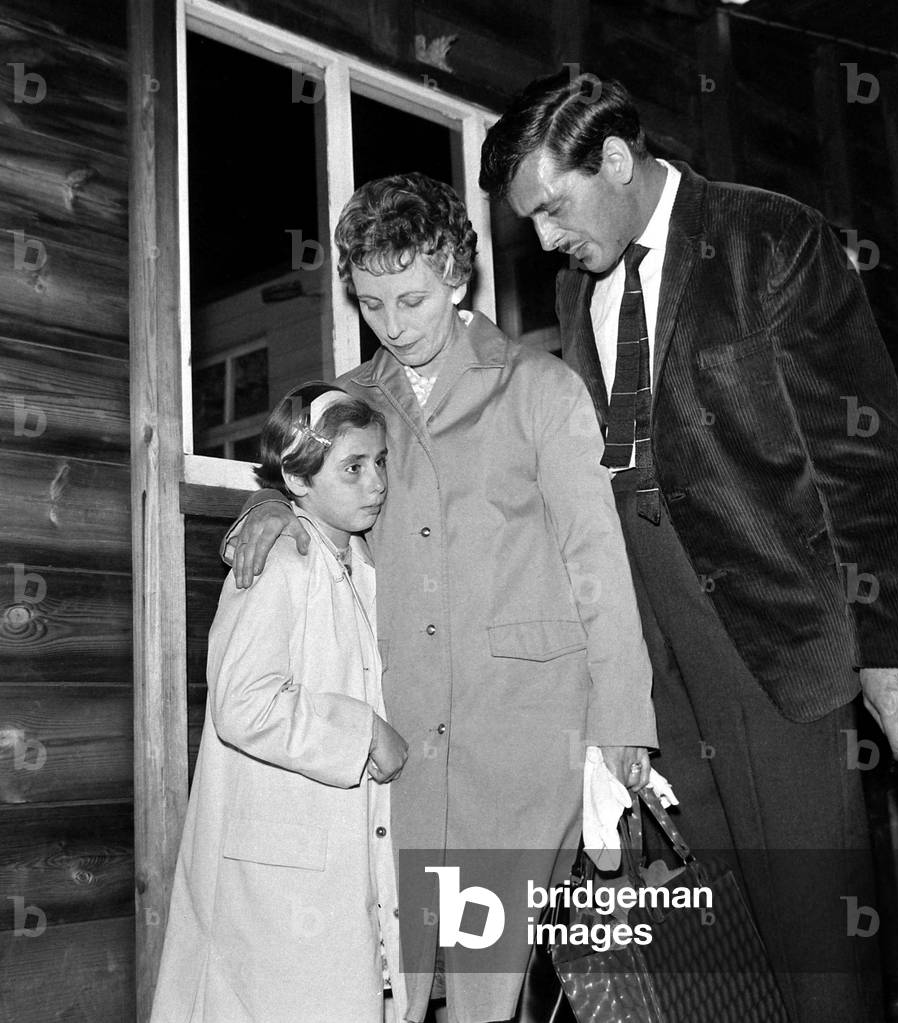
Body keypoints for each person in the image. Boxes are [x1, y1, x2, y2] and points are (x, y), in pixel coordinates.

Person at [478, 69, 898, 1022]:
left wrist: (890, 647)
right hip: (653, 674)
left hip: (776, 646)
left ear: (616, 158)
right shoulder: (573, 295)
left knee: (819, 958)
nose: (548, 239)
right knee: (716, 950)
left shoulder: (770, 238)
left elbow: (865, 457)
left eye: (553, 209)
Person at [223, 172, 657, 1023]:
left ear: (458, 276)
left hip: (524, 730)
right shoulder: (346, 400)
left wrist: (622, 718)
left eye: (412, 299)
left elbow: (596, 559)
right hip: (398, 730)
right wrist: (267, 505)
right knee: (390, 977)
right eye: (372, 303)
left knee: (493, 988)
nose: (393, 324)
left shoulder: (538, 386)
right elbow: (304, 478)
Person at [151, 383, 408, 1023]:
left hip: (328, 844)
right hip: (271, 864)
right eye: (353, 467)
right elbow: (242, 704)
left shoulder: (360, 561)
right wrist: (365, 732)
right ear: (297, 478)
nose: (375, 482)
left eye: (380, 462)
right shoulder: (279, 564)